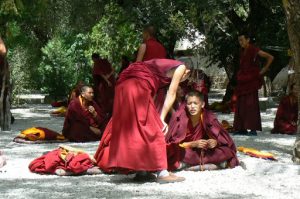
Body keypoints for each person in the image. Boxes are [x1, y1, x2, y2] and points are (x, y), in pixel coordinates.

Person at [94, 59, 190, 183]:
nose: (181, 82)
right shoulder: (181, 67)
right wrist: (161, 119)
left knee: (136, 127)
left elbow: (152, 95)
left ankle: (142, 170)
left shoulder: (157, 69)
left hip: (123, 87)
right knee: (154, 128)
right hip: (137, 86)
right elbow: (171, 94)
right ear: (187, 72)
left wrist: (155, 116)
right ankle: (162, 173)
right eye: (184, 79)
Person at [165, 91, 239, 171]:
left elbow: (222, 139)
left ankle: (186, 165)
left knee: (227, 151)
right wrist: (192, 144)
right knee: (175, 152)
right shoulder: (179, 117)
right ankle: (213, 164)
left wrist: (214, 142)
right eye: (189, 104)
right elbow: (172, 143)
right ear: (186, 105)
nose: (192, 106)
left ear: (202, 104)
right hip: (186, 150)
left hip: (203, 150)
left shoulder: (208, 116)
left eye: (195, 103)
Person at [233, 32, 273, 136]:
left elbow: (270, 57)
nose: (240, 42)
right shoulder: (242, 51)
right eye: (239, 40)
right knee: (241, 104)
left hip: (251, 80)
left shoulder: (254, 49)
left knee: (251, 105)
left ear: (248, 40)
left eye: (242, 40)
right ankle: (242, 128)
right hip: (243, 80)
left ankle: (253, 129)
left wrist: (263, 70)